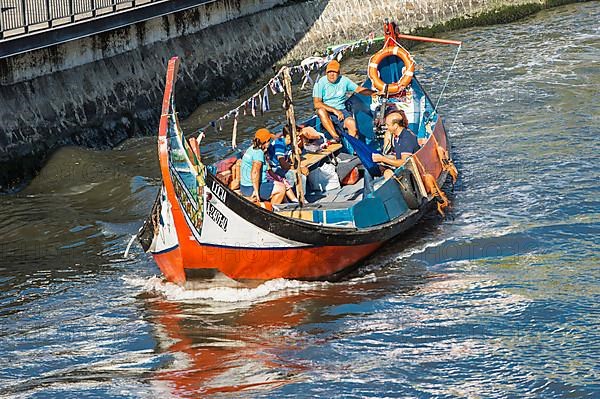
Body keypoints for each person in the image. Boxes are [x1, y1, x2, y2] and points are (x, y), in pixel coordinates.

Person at [313, 60, 376, 141]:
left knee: (352, 124)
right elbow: (317, 104)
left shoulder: (344, 81)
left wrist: (374, 93)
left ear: (338, 73)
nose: (332, 75)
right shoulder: (320, 83)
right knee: (321, 111)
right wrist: (334, 110)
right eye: (329, 72)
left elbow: (359, 89)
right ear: (326, 73)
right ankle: (336, 137)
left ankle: (356, 150)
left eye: (334, 72)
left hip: (342, 110)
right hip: (327, 110)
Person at [240, 128, 289, 205]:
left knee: (281, 184)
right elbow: (255, 172)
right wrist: (256, 192)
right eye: (269, 140)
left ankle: (285, 204)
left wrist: (280, 180)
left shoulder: (252, 149)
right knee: (281, 189)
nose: (270, 142)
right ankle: (272, 210)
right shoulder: (258, 153)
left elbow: (268, 169)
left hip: (248, 185)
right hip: (250, 187)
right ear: (266, 142)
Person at [372, 109, 420, 178]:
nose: (386, 127)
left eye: (388, 125)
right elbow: (398, 156)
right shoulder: (396, 136)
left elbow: (404, 162)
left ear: (395, 126)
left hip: (408, 173)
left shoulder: (406, 139)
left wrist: (383, 159)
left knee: (387, 172)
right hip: (401, 168)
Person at [268, 124, 309, 197]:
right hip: (274, 168)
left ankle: (301, 196)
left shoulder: (291, 144)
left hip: (283, 165)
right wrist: (299, 169)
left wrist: (300, 165)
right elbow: (283, 164)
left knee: (302, 176)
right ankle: (293, 197)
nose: (298, 138)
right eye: (296, 136)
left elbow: (292, 158)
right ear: (288, 136)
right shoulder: (280, 144)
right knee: (291, 175)